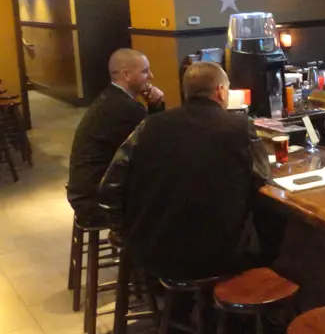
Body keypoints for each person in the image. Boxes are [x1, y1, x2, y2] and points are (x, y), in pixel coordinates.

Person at [99, 61, 271, 280]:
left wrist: (125, 233)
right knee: (271, 226)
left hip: (153, 252)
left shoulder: (149, 125)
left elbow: (109, 186)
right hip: (220, 255)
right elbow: (262, 176)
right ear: (220, 91)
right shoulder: (240, 126)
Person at [67, 49, 165, 227]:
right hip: (96, 202)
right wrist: (157, 107)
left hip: (85, 193)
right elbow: (156, 145)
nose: (151, 76)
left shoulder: (111, 98)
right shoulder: (124, 108)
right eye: (145, 71)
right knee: (172, 202)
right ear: (126, 75)